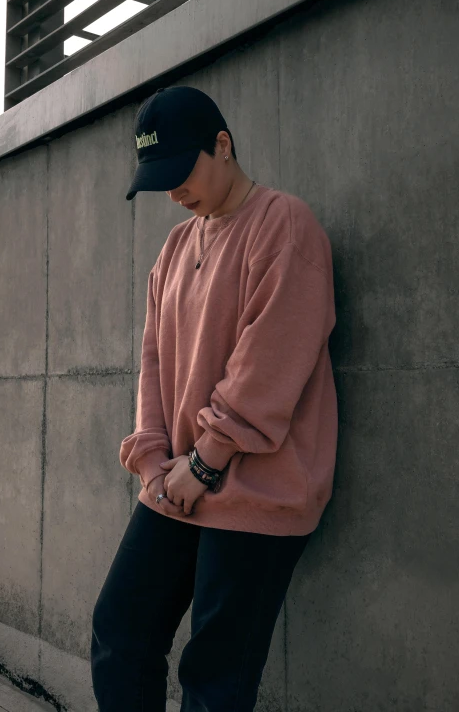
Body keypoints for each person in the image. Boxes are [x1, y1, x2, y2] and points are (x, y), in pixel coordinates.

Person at [90, 85, 338, 712]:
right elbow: (151, 362)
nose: (172, 193)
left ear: (222, 145)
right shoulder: (174, 249)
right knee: (119, 630)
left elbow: (272, 362)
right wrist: (152, 461)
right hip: (175, 484)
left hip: (258, 488)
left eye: (180, 172)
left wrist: (205, 462)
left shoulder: (285, 224)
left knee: (215, 678)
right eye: (158, 179)